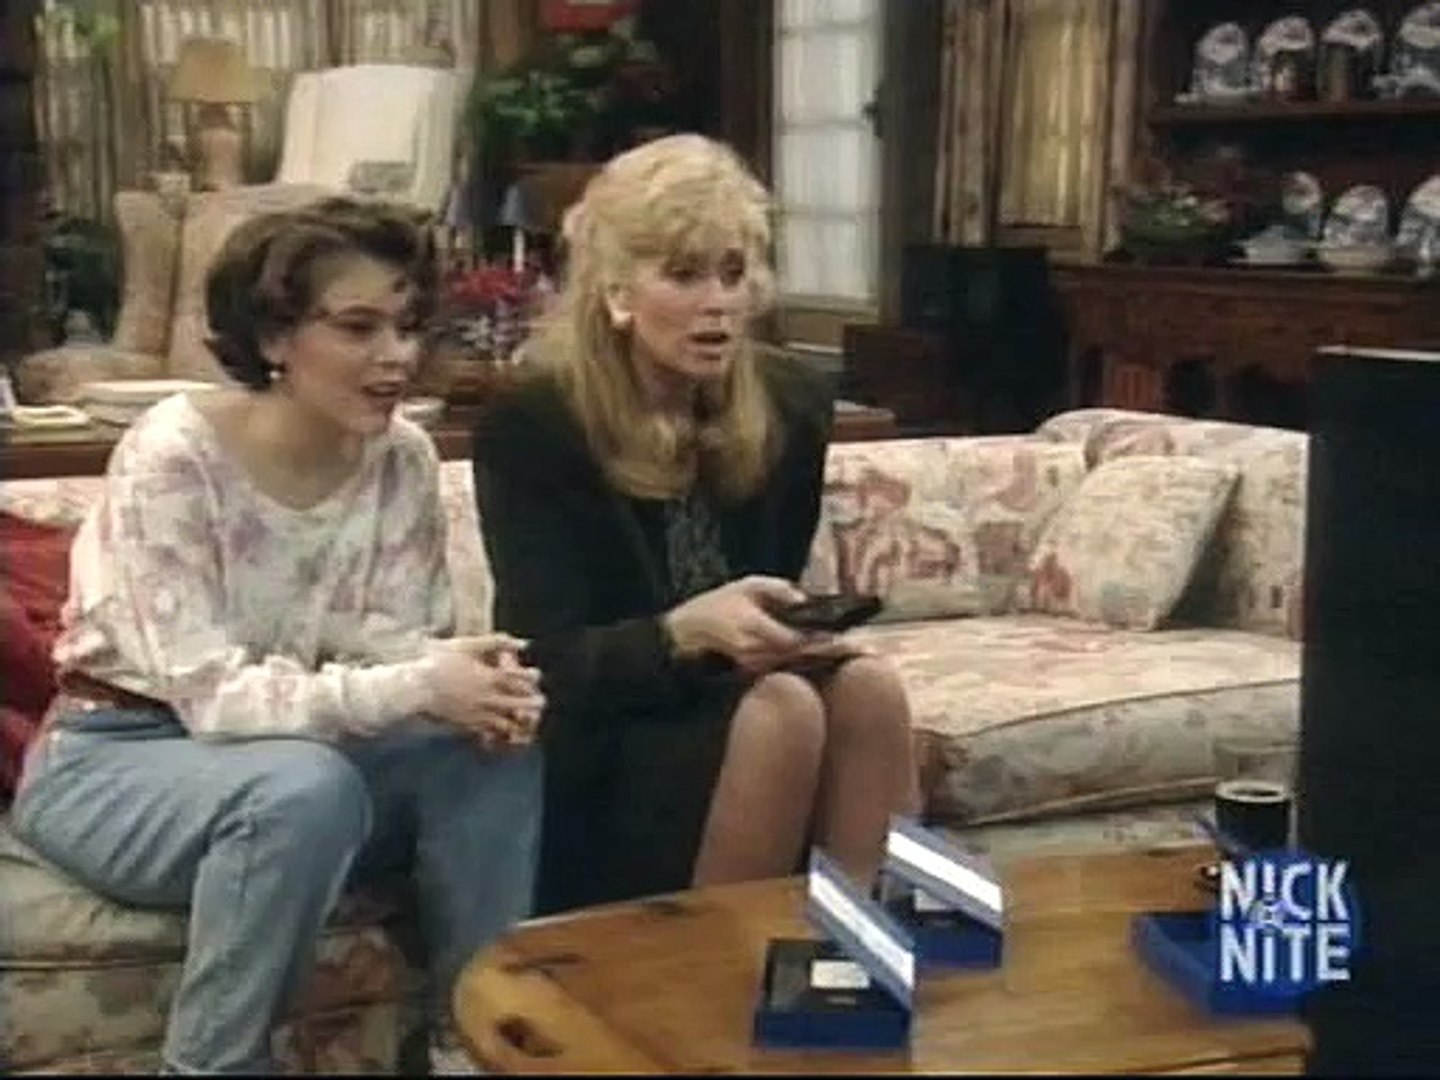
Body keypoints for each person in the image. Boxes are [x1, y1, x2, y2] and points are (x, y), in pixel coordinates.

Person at [10, 198, 546, 1075]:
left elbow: (389, 642)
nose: (397, 356)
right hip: (116, 755)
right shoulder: (173, 453)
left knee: (487, 748)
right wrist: (417, 684)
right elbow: (214, 698)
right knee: (301, 787)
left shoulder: (403, 456)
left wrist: (460, 674)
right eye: (359, 327)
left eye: (409, 326)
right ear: (272, 337)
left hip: (303, 757)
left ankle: (472, 1048)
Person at [472, 135, 919, 917]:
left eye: (733, 274)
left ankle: (849, 957)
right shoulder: (536, 425)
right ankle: (711, 976)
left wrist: (790, 633)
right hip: (611, 728)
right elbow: (548, 664)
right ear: (617, 293)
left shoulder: (789, 403)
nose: (718, 302)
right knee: (782, 712)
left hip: (736, 690)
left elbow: (772, 585)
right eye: (683, 276)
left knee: (867, 689)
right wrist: (681, 633)